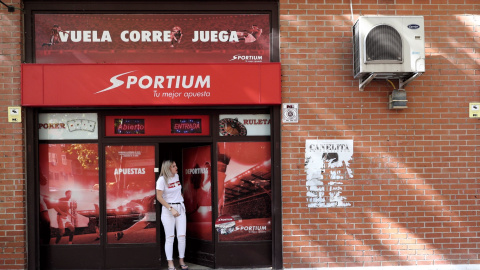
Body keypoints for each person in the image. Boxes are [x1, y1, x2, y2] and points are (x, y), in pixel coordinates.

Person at [156, 160, 188, 270]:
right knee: (170, 237)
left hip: (180, 208)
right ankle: (170, 264)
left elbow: (178, 191)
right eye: (173, 166)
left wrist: (180, 198)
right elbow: (159, 197)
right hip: (168, 209)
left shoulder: (177, 176)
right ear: (167, 168)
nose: (176, 167)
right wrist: (171, 208)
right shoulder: (161, 180)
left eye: (176, 165)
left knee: (182, 236)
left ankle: (181, 261)